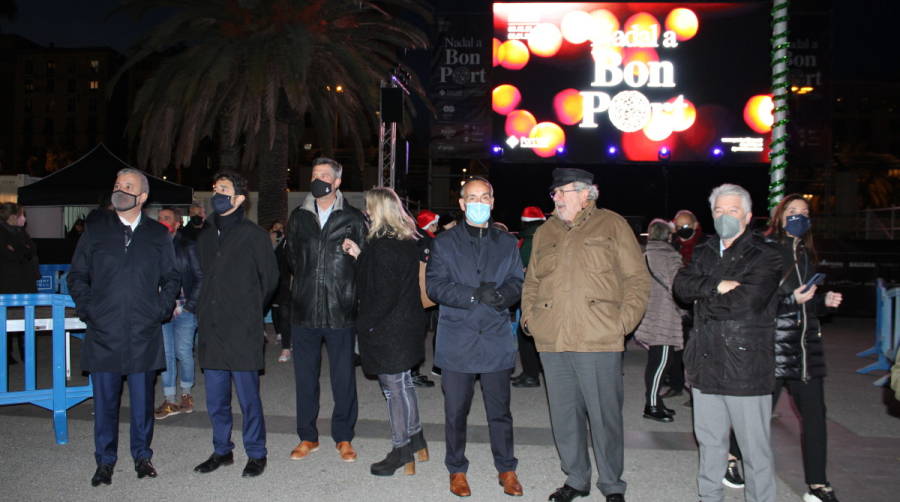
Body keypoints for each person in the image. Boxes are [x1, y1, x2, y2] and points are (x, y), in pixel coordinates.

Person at [520, 168, 650, 502]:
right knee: (564, 416)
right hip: (553, 338)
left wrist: (622, 323)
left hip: (598, 337)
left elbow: (636, 278)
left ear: (586, 193)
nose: (556, 198)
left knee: (604, 416)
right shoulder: (545, 231)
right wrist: (532, 321)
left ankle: (611, 484)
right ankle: (576, 479)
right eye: (554, 193)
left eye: (562, 191)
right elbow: (532, 281)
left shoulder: (612, 225)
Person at [68, 169, 180, 486]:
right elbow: (77, 276)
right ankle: (104, 463)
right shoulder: (95, 230)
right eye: (117, 184)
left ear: (142, 196)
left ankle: (142, 457)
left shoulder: (158, 235)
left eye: (128, 186)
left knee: (143, 403)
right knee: (105, 404)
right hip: (104, 333)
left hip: (143, 333)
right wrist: (90, 310)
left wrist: (160, 309)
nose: (120, 189)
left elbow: (172, 278)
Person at [673, 183, 784, 502]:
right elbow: (681, 286)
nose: (725, 216)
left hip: (745, 367)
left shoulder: (766, 254)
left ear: (747, 216)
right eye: (719, 210)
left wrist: (701, 298)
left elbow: (747, 303)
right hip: (705, 363)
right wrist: (718, 285)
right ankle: (709, 497)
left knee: (754, 452)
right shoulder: (705, 250)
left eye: (732, 210)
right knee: (709, 445)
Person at [426, 177, 525, 498]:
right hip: (458, 341)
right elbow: (435, 286)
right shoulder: (444, 243)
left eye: (485, 197)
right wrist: (473, 295)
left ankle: (506, 468)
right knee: (455, 411)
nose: (479, 202)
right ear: (462, 203)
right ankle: (456, 469)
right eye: (472, 197)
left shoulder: (508, 243)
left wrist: (503, 295)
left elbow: (518, 281)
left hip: (495, 339)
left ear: (493, 201)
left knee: (500, 411)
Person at [193, 171, 279, 478]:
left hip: (242, 329)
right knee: (216, 398)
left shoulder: (254, 235)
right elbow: (199, 276)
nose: (217, 193)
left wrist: (249, 309)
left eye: (224, 189)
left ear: (240, 198)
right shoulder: (203, 234)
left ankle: (256, 453)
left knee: (248, 398)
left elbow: (269, 279)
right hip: (212, 328)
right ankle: (222, 450)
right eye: (215, 187)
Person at [286, 157, 367, 462]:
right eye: (314, 173)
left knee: (343, 378)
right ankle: (307, 437)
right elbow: (292, 258)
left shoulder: (354, 219)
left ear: (336, 182)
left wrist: (356, 258)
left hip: (340, 310)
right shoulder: (299, 217)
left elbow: (365, 264)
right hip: (304, 311)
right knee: (305, 379)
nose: (317, 179)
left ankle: (343, 437)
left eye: (324, 175)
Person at [763, 194, 843, 502]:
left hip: (807, 347)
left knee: (815, 416)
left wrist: (824, 303)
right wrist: (790, 300)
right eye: (792, 211)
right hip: (774, 345)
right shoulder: (768, 252)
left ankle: (817, 484)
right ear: (780, 216)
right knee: (756, 414)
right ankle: (732, 459)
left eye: (805, 212)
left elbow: (807, 305)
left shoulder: (807, 255)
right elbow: (757, 303)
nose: (799, 216)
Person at [351, 187, 429, 476]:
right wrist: (361, 256)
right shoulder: (406, 240)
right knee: (404, 384)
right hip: (407, 323)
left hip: (389, 327)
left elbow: (380, 293)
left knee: (393, 389)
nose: (366, 214)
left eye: (369, 208)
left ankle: (401, 449)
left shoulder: (382, 246)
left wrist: (365, 324)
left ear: (379, 211)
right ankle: (417, 440)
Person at [153, 207, 202, 419]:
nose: (162, 221)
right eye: (160, 218)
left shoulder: (188, 246)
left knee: (183, 351)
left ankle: (186, 394)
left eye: (167, 218)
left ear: (177, 223)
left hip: (185, 309)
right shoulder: (152, 247)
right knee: (167, 354)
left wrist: (188, 306)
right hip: (163, 310)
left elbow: (201, 277)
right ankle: (170, 399)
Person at [633, 219, 684, 423]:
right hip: (666, 316)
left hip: (650, 313)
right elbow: (680, 287)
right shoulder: (670, 256)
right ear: (668, 236)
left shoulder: (644, 255)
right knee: (661, 362)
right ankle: (652, 404)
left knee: (657, 361)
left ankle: (656, 402)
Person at [661, 209, 707, 400]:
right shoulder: (674, 246)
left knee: (697, 353)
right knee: (675, 349)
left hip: (699, 308)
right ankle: (676, 383)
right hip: (677, 305)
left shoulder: (705, 247)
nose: (682, 230)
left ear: (696, 226)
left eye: (686, 226)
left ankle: (698, 393)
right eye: (679, 227)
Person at [0, 202, 40, 364]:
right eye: (21, 215)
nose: (24, 218)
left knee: (26, 319)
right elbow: (13, 254)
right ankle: (6, 353)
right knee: (7, 320)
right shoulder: (2, 233)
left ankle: (26, 353)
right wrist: (22, 252)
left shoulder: (22, 232)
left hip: (26, 283)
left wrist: (21, 251)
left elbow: (30, 250)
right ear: (12, 217)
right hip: (9, 284)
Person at [511, 206, 545, 388]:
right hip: (546, 295)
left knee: (525, 335)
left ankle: (531, 374)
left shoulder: (528, 240)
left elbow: (520, 267)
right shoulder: (548, 235)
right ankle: (534, 371)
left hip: (531, 295)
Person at [409, 209, 440, 388]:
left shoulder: (415, 237)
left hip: (413, 294)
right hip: (421, 294)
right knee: (417, 334)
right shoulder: (426, 241)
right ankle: (413, 373)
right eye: (435, 223)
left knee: (416, 333)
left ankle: (412, 371)